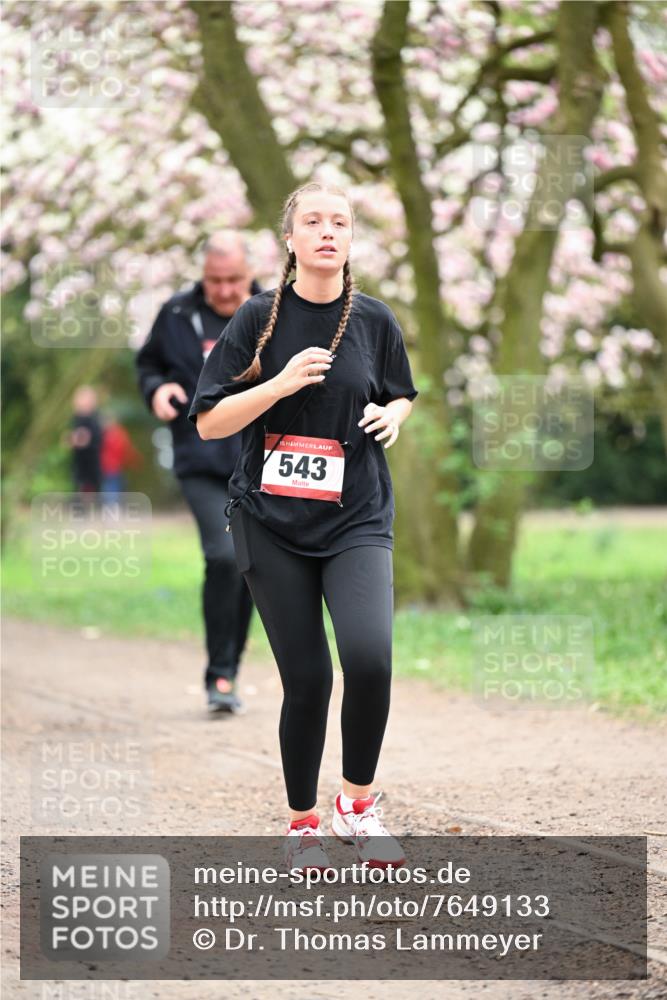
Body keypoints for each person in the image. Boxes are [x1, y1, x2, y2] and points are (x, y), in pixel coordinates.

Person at [189, 183, 418, 871]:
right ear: (288, 240)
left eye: (340, 222)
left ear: (350, 241)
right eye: (311, 221)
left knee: (370, 657)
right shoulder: (257, 318)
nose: (327, 231)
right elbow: (208, 420)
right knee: (309, 680)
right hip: (270, 522)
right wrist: (279, 383)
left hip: (356, 516)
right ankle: (301, 825)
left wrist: (395, 416)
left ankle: (356, 804)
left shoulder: (374, 320)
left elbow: (400, 389)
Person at [136, 232, 259, 713]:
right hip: (201, 462)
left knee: (253, 567)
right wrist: (157, 389)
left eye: (234, 280)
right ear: (203, 275)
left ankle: (229, 671)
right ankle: (220, 676)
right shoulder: (176, 312)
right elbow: (148, 363)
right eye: (216, 280)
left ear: (249, 274)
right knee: (225, 556)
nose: (226, 290)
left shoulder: (275, 312)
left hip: (261, 462)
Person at [100, 413, 143, 503]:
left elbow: (126, 449)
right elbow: (127, 449)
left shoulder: (111, 434)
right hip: (109, 467)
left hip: (112, 467)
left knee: (112, 487)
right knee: (112, 487)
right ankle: (112, 507)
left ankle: (112, 507)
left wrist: (134, 460)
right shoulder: (115, 433)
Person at [69, 385, 103, 498]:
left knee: (93, 484)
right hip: (79, 460)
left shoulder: (94, 418)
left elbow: (95, 437)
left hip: (92, 459)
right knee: (79, 483)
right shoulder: (76, 418)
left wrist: (82, 439)